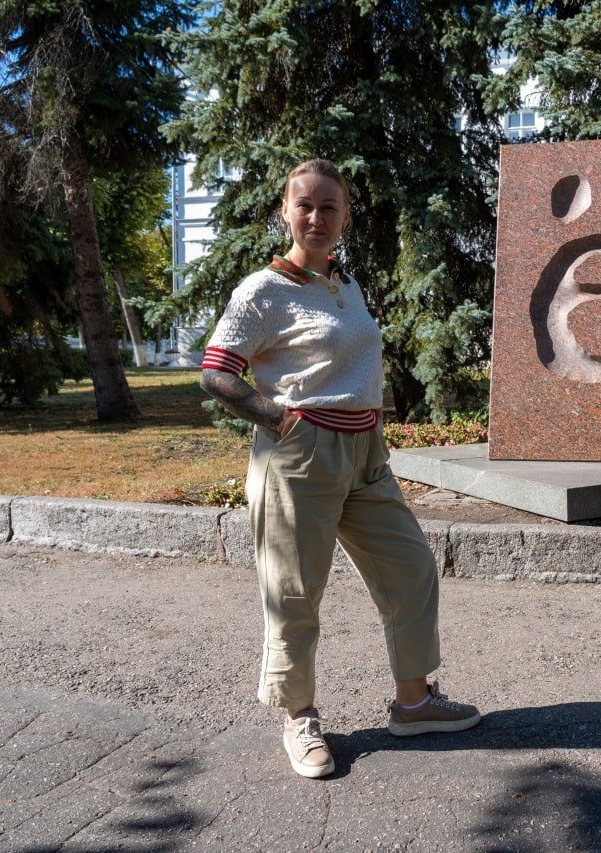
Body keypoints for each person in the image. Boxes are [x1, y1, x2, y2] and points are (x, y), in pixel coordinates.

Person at [199, 158, 481, 779]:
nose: (316, 217)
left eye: (329, 206)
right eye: (304, 205)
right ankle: (298, 717)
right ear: (285, 212)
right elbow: (217, 373)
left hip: (365, 454)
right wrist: (281, 420)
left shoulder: (345, 285)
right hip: (301, 455)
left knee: (410, 569)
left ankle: (414, 703)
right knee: (295, 593)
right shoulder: (263, 290)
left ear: (345, 215)